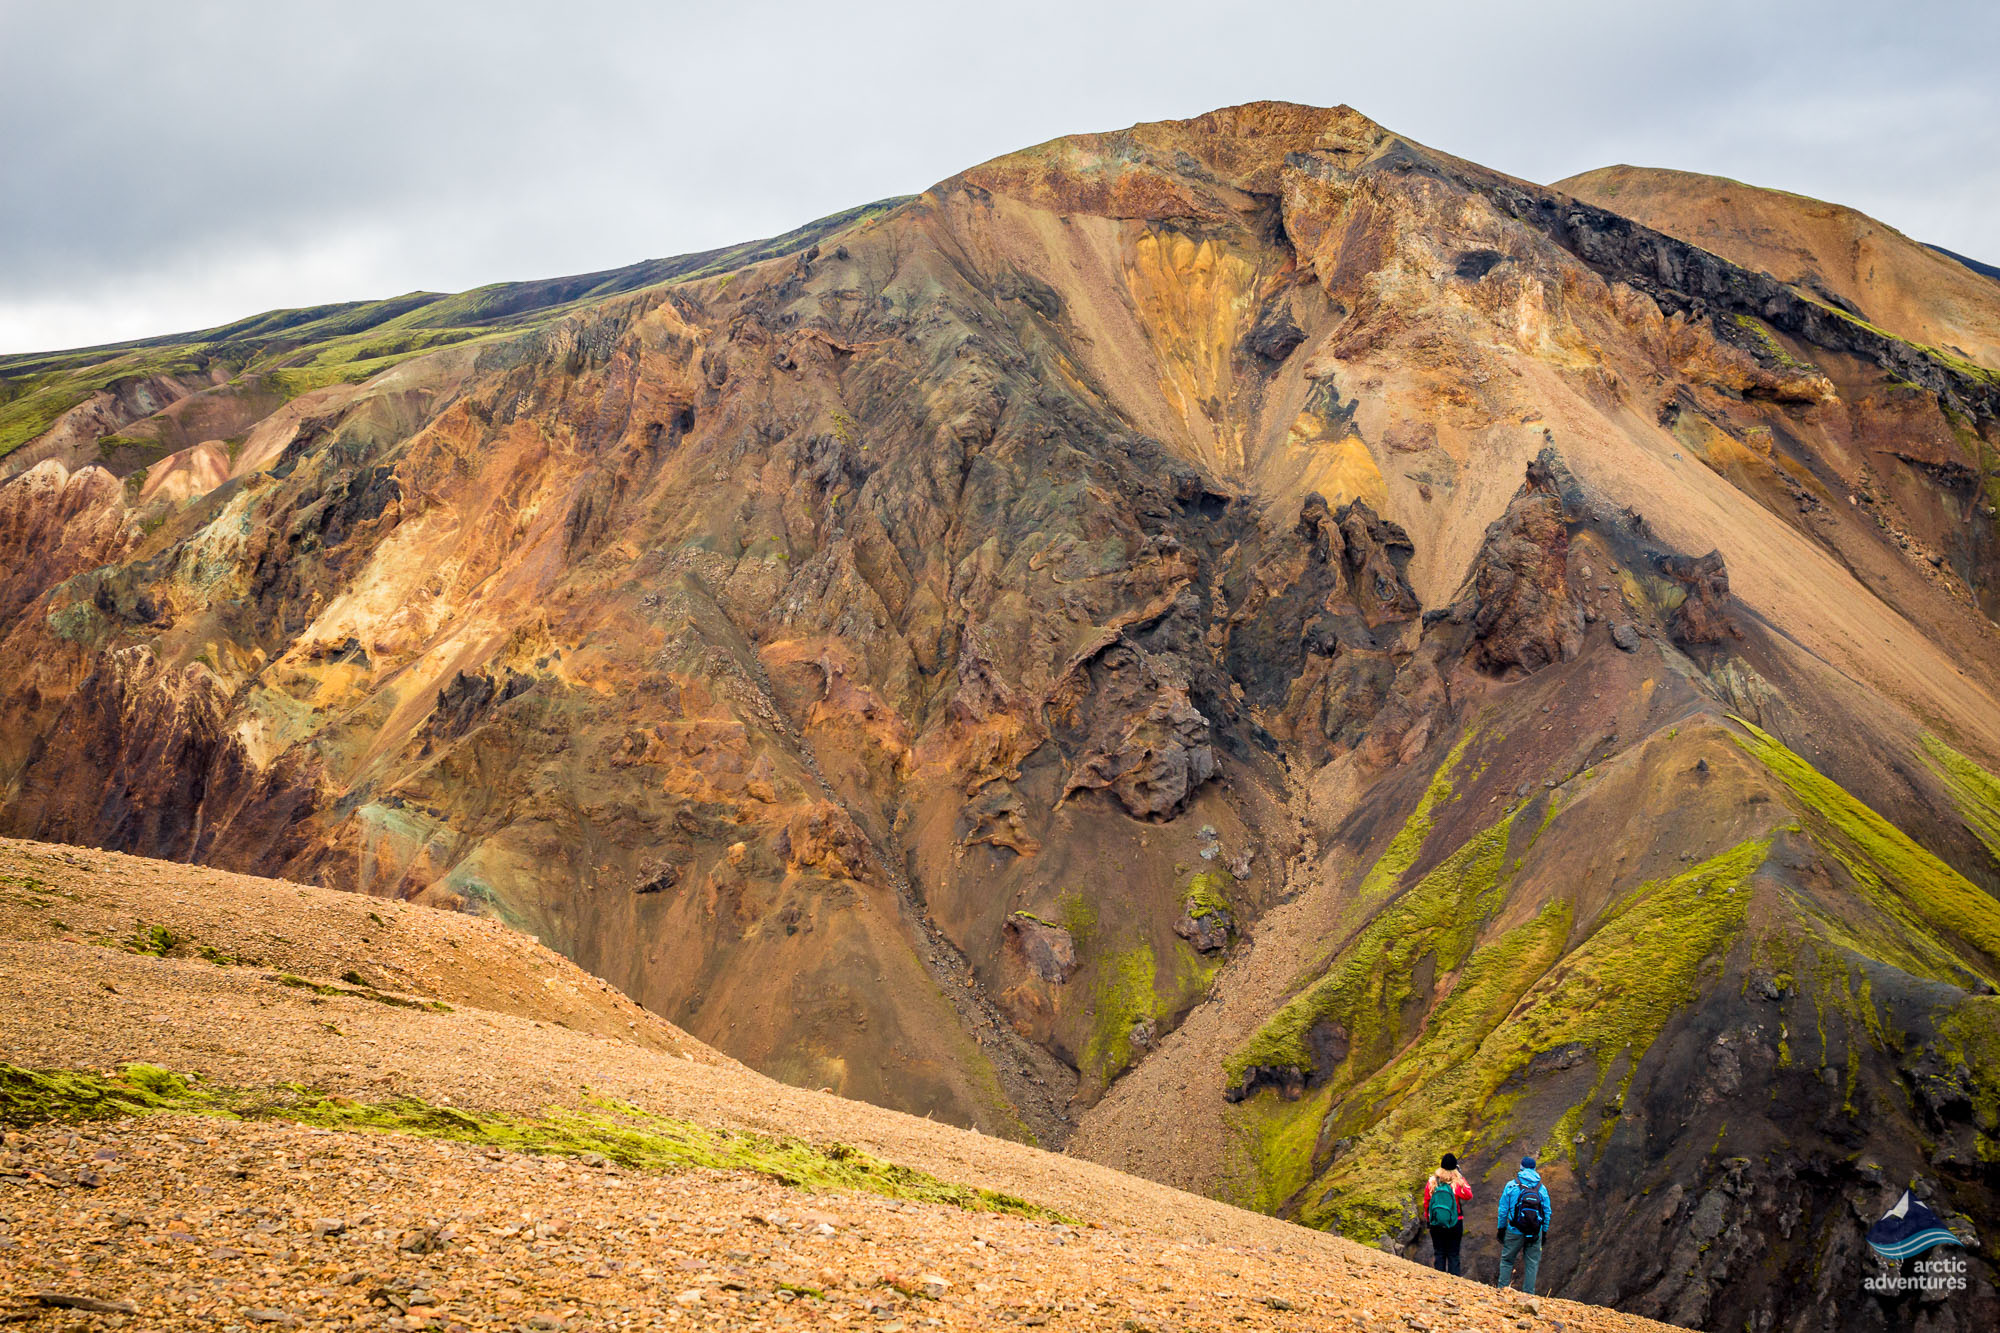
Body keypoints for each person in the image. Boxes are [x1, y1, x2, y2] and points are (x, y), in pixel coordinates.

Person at [1496, 1156, 1552, 1294]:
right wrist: (1543, 1232)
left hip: (1514, 1229)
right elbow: (1547, 1212)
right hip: (1535, 1231)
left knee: (1507, 1260)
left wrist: (1501, 1228)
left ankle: (1502, 1291)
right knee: (1532, 1263)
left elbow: (1503, 1210)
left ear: (1521, 1167)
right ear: (1534, 1168)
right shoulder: (1541, 1188)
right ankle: (1529, 1295)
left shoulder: (1511, 1185)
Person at [1422, 1152, 1474, 1274]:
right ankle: (1454, 1283)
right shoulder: (1457, 1183)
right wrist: (1461, 1178)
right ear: (1455, 1167)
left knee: (1439, 1253)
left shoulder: (1433, 1181)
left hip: (1436, 1222)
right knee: (1453, 1254)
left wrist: (1429, 1219)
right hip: (1455, 1222)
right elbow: (1468, 1195)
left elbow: (1426, 1203)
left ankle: (1439, 1280)